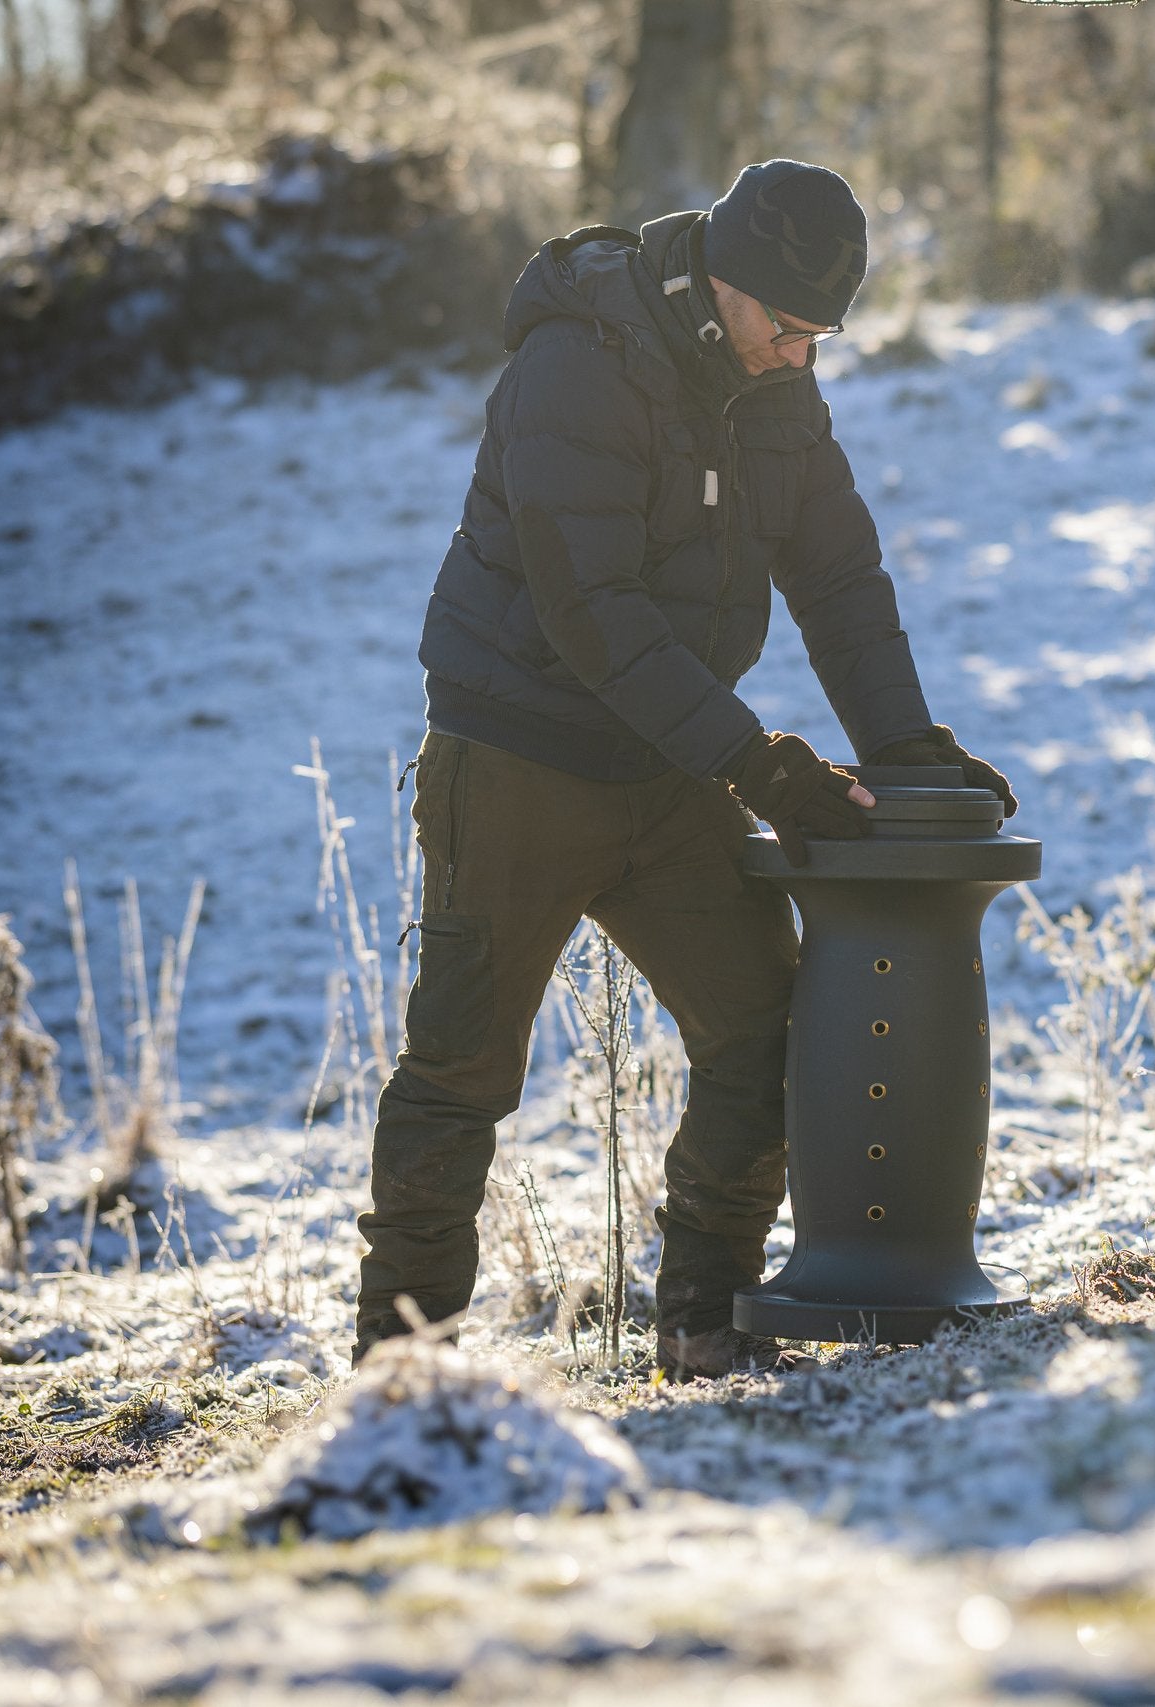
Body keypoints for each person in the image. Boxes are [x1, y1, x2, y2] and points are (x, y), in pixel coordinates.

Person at [355, 158, 1013, 1378]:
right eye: (787, 325)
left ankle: (704, 1324)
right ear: (724, 280)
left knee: (769, 1030)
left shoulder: (772, 388)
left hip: (668, 768)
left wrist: (904, 747)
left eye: (825, 336)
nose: (800, 357)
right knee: (459, 1075)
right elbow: (589, 613)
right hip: (515, 765)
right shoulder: (580, 365)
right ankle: (406, 1374)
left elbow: (839, 578)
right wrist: (758, 764)